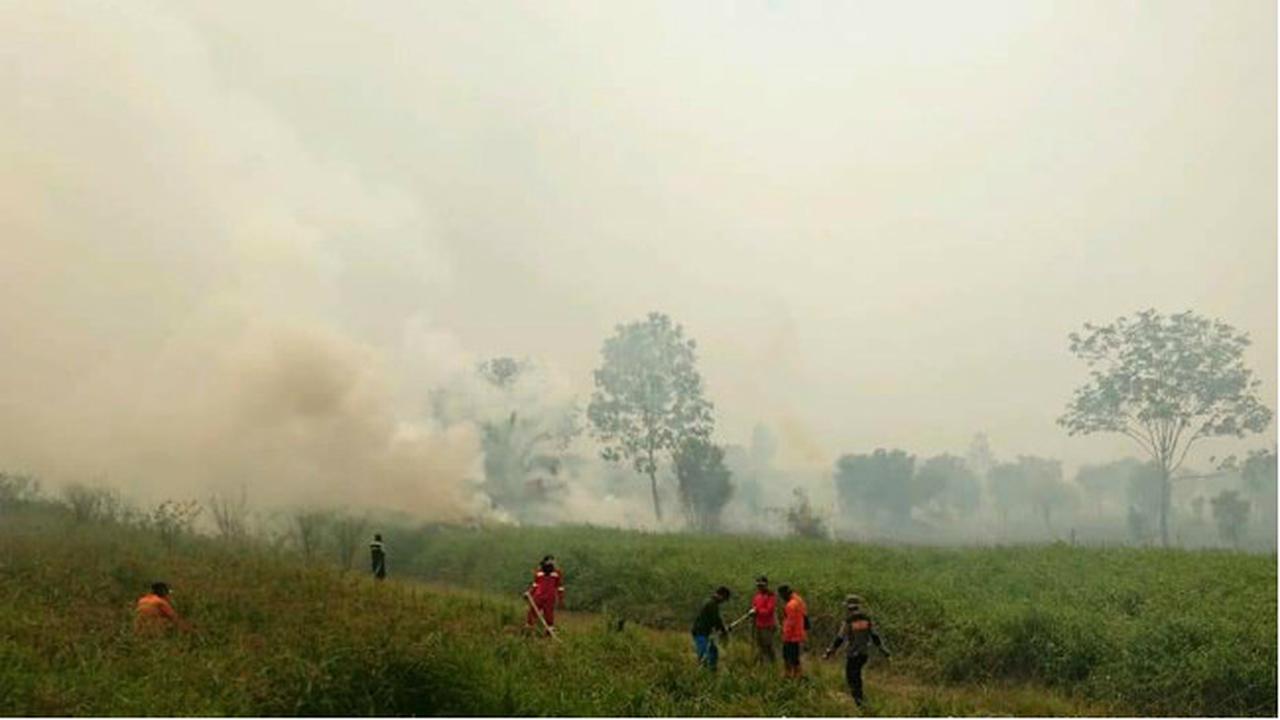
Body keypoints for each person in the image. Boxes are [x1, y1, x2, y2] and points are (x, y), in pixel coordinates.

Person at [823, 594, 890, 706]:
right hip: (864, 653)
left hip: (853, 653)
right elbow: (875, 636)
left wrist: (831, 651)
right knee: (857, 675)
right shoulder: (867, 619)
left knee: (851, 677)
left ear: (848, 608)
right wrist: (883, 650)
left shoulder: (849, 621)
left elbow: (840, 638)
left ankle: (858, 702)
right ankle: (859, 700)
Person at [691, 586, 731, 670]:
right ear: (721, 595)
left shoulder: (711, 602)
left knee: (713, 651)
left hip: (706, 632)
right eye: (724, 599)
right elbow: (716, 620)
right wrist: (723, 630)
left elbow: (717, 620)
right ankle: (704, 673)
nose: (723, 602)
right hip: (700, 632)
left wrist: (722, 629)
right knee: (704, 654)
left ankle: (712, 670)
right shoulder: (711, 604)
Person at [525, 554, 565, 634]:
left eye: (552, 561)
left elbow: (560, 587)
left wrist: (561, 599)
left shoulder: (557, 573)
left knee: (549, 615)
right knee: (532, 612)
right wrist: (529, 593)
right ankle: (528, 631)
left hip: (550, 598)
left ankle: (549, 633)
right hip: (538, 596)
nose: (551, 563)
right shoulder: (539, 573)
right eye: (549, 561)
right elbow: (535, 585)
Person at [777, 584, 808, 678]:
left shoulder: (791, 605)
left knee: (788, 657)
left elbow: (790, 623)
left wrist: (784, 635)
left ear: (784, 594)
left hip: (791, 636)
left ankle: (791, 675)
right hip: (799, 634)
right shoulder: (799, 600)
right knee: (795, 657)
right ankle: (796, 675)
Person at [747, 575, 778, 664]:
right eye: (758, 586)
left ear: (766, 585)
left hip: (767, 625)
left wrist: (757, 611)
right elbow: (754, 606)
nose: (760, 587)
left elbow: (769, 610)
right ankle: (761, 663)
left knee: (768, 645)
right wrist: (752, 612)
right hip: (758, 624)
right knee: (760, 646)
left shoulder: (770, 596)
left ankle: (773, 663)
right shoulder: (757, 596)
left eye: (762, 585)